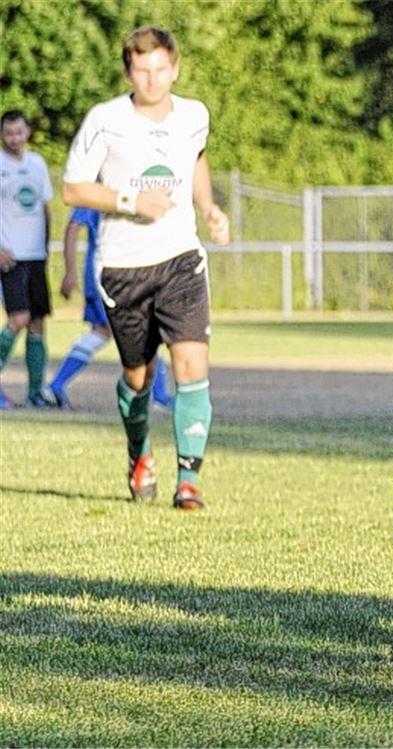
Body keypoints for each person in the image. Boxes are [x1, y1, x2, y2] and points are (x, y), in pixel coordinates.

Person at [62, 26, 229, 509]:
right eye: (142, 70)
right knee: (139, 376)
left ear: (174, 68)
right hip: (122, 266)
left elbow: (196, 158)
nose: (153, 80)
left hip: (181, 260)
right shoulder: (105, 120)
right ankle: (138, 451)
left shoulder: (195, 114)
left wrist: (208, 205)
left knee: (192, 364)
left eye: (161, 69)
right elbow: (73, 188)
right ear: (128, 72)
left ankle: (188, 480)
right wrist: (130, 200)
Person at [46, 207, 174, 410]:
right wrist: (70, 272)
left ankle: (55, 386)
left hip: (120, 273)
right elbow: (73, 227)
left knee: (105, 331)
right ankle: (158, 396)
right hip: (108, 274)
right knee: (143, 329)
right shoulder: (98, 186)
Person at [0, 109, 53, 409]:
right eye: (9, 133)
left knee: (37, 323)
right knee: (17, 318)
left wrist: (45, 247)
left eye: (19, 132)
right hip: (11, 256)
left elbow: (46, 208)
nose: (15, 138)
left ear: (27, 132)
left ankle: (35, 391)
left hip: (36, 256)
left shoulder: (37, 164)